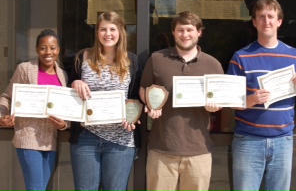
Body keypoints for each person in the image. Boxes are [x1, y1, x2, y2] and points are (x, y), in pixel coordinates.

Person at [227, 0, 296, 191]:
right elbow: (231, 101)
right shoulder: (241, 57)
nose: (267, 21)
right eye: (261, 16)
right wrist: (253, 99)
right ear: (255, 22)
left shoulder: (295, 56)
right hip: (248, 140)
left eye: (271, 16)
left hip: (283, 140)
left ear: (279, 21)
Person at [139, 11, 224, 191]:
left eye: (189, 30)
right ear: (173, 32)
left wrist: (216, 106)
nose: (185, 35)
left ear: (199, 32)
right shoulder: (157, 59)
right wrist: (150, 103)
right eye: (180, 30)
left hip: (198, 151)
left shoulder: (213, 64)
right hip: (162, 149)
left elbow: (221, 98)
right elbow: (144, 89)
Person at [68, 11, 141, 191]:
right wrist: (75, 82)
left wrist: (133, 116)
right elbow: (68, 91)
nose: (107, 34)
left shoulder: (131, 60)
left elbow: (136, 98)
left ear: (121, 32)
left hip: (120, 140)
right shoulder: (83, 57)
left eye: (112, 29)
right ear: (97, 32)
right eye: (103, 29)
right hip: (86, 138)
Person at [0, 29, 69, 191]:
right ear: (37, 49)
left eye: (52, 48)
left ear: (58, 50)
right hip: (28, 137)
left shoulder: (63, 75)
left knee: (43, 188)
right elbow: (6, 96)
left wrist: (64, 124)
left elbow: (67, 109)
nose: (48, 52)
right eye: (43, 48)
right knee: (36, 188)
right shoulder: (25, 69)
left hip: (50, 141)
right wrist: (2, 116)